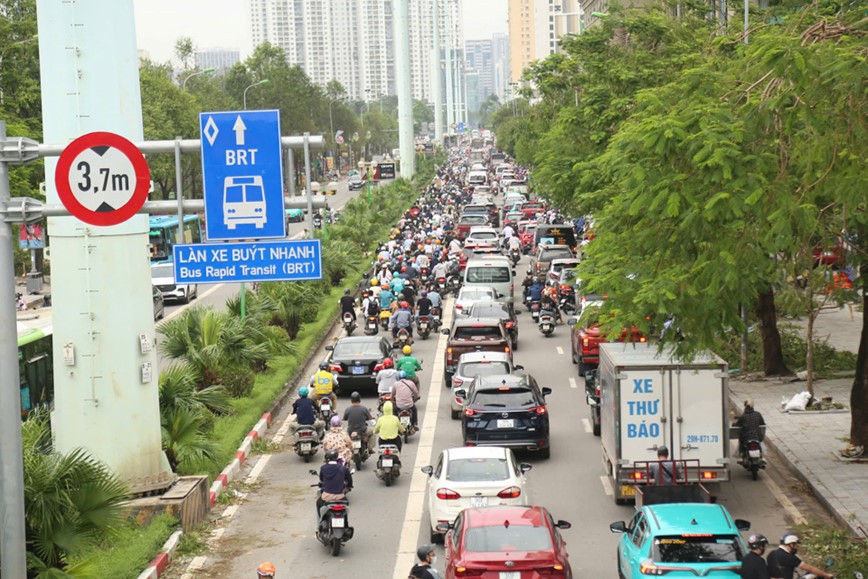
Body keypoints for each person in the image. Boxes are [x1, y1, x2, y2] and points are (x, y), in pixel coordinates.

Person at [767, 532, 834, 579]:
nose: (796, 547)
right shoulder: (789, 557)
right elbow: (810, 568)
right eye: (795, 544)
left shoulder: (771, 554)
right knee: (812, 575)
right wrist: (826, 575)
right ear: (791, 544)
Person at [316, 450, 353, 527]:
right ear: (336, 458)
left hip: (326, 496)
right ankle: (345, 523)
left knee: (318, 503)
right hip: (340, 496)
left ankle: (320, 521)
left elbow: (321, 479)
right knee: (346, 506)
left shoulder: (323, 468)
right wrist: (349, 486)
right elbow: (349, 480)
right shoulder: (343, 468)